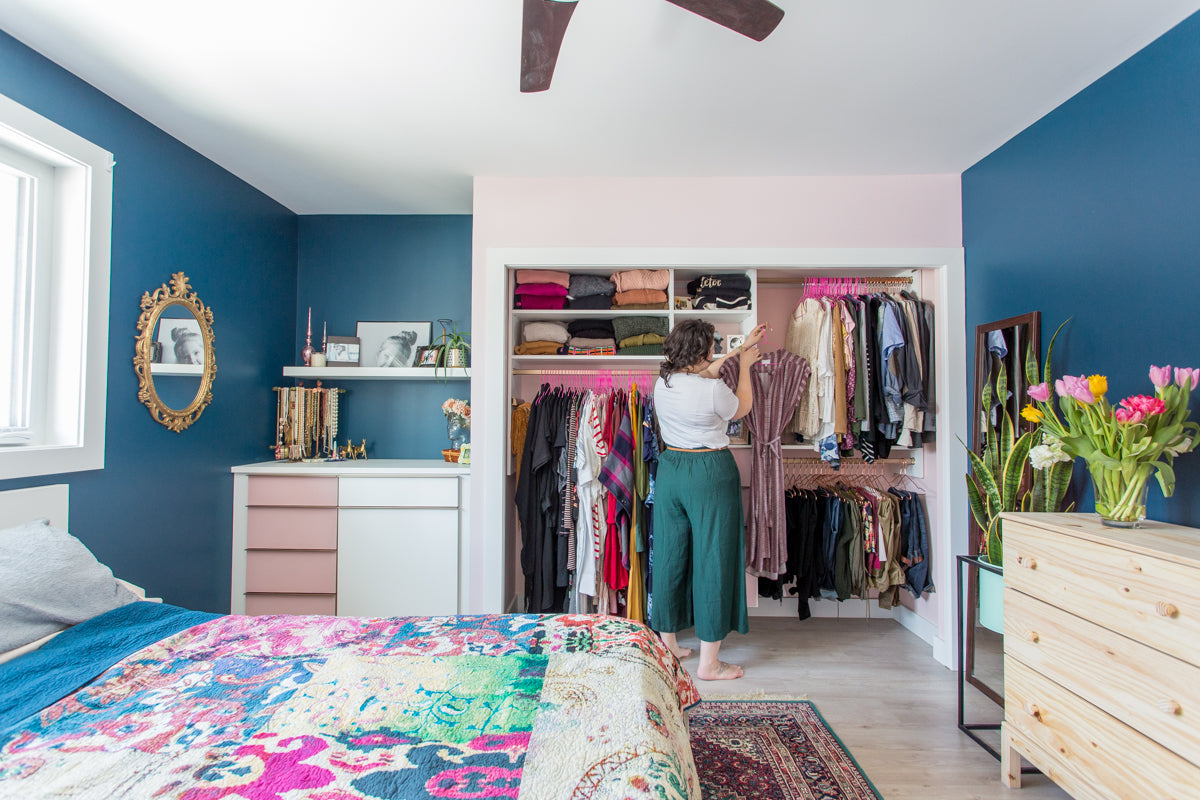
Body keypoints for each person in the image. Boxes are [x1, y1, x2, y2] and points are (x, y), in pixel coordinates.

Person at [651, 319, 766, 680]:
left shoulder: (664, 382)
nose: (715, 353)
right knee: (713, 557)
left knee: (670, 554)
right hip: (709, 471)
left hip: (671, 469)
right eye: (712, 348)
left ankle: (667, 641)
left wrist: (739, 349)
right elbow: (741, 407)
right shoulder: (713, 390)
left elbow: (705, 371)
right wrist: (745, 366)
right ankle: (709, 663)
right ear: (701, 352)